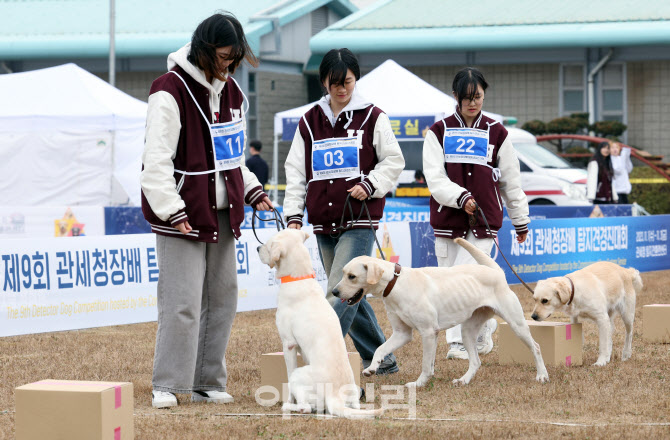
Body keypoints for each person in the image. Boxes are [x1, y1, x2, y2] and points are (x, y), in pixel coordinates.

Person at [140, 12, 273, 409]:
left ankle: (207, 381)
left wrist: (251, 190)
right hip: (181, 213)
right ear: (203, 48)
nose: (228, 65)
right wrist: (172, 209)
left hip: (223, 213)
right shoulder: (168, 90)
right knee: (181, 301)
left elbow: (234, 159)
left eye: (233, 58)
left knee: (223, 299)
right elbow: (155, 161)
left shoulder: (231, 92)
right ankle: (168, 383)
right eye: (223, 56)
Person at [283, 48, 405, 375]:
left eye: (347, 82)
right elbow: (295, 171)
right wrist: (294, 216)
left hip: (359, 219)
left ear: (356, 79)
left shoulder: (373, 116)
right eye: (335, 83)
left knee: (338, 294)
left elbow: (394, 161)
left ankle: (317, 358)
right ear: (323, 82)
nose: (341, 89)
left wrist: (371, 182)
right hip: (323, 221)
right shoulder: (309, 121)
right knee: (351, 294)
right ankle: (384, 361)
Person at [422, 67, 530, 360]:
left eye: (478, 96)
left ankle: (456, 342)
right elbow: (435, 178)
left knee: (464, 282)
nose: (473, 102)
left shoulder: (498, 133)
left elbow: (510, 181)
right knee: (448, 283)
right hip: (448, 221)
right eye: (467, 97)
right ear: (455, 97)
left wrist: (520, 220)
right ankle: (485, 325)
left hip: (484, 224)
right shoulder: (438, 132)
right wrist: (461, 197)